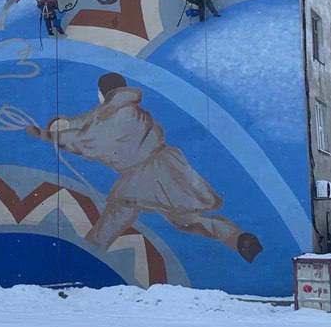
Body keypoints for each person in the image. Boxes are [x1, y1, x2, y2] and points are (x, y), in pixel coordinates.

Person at [27, 72, 262, 263]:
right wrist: (66, 124)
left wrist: (50, 136)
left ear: (102, 92)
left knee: (117, 212)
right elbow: (91, 121)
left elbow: (91, 139)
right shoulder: (124, 109)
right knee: (186, 219)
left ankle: (88, 255)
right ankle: (237, 238)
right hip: (166, 168)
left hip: (143, 173)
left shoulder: (118, 114)